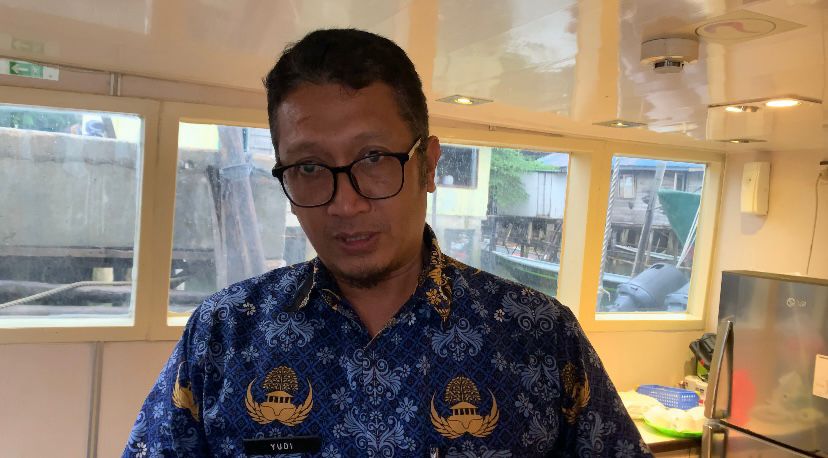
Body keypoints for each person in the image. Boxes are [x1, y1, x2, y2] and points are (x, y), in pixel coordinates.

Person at [124, 28, 652, 458]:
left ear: (429, 165)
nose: (345, 204)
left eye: (373, 158)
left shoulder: (539, 336)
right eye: (309, 167)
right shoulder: (223, 334)